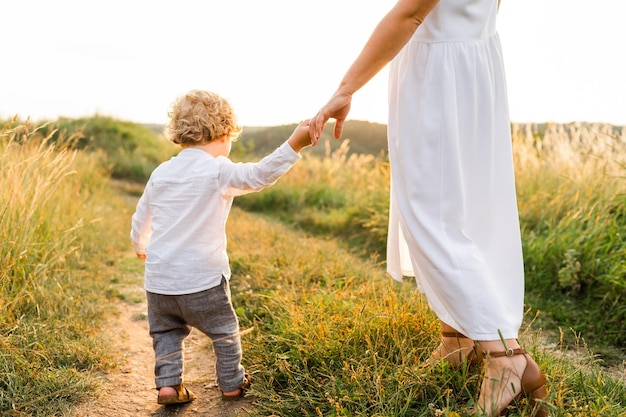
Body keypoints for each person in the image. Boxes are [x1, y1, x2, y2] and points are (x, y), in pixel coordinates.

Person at [309, 1, 548, 416]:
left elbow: (410, 14)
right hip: (473, 64)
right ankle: (458, 338)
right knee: (460, 210)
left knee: (433, 218)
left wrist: (345, 89)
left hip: (440, 72)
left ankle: (505, 356)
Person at [131, 89, 310, 405]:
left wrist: (140, 244)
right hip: (203, 282)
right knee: (224, 331)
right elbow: (259, 175)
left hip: (159, 283)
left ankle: (169, 386)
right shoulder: (218, 170)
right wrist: (294, 144)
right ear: (224, 133)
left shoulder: (161, 172)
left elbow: (142, 216)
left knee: (166, 334)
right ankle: (231, 384)